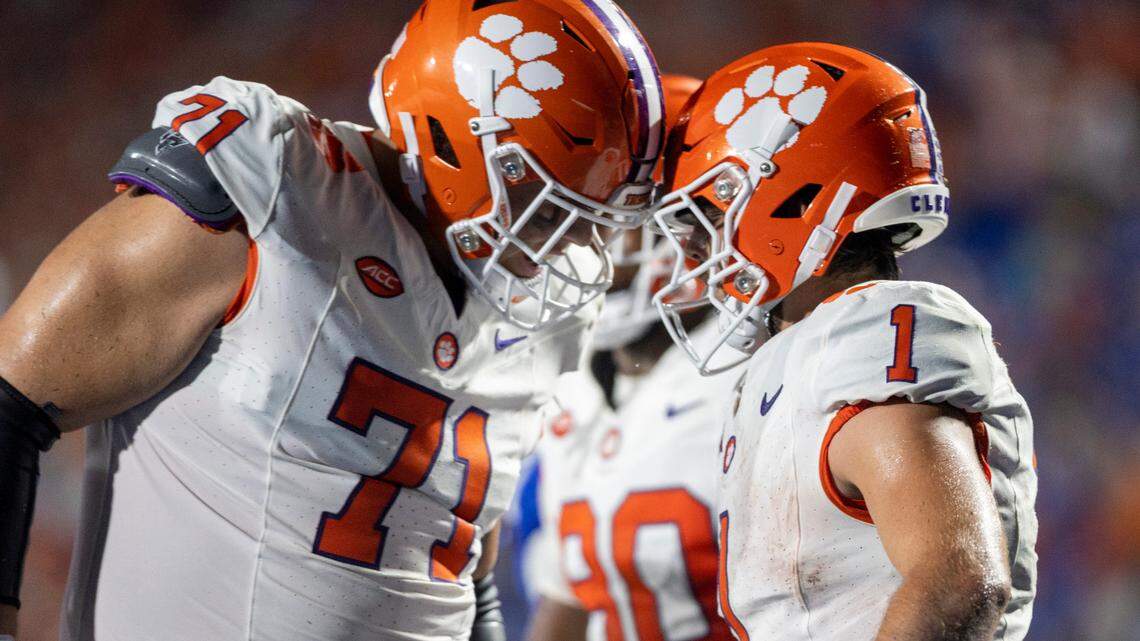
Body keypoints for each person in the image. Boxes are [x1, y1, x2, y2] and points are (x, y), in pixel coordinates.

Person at [0, 1, 667, 640]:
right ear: (450, 138)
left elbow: (461, 561)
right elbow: (11, 401)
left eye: (590, 215)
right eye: (551, 208)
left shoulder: (538, 313)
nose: (574, 241)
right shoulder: (276, 198)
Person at [651, 43, 1037, 640]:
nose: (694, 254)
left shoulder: (869, 332)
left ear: (788, 198)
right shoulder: (802, 349)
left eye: (706, 213)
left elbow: (959, 582)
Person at [522, 73, 740, 641]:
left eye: (621, 221)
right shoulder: (574, 386)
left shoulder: (754, 382)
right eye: (580, 215)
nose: (585, 244)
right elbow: (571, 599)